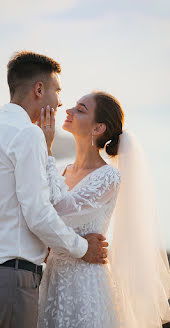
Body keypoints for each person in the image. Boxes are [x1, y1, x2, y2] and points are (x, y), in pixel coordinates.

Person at [0, 51, 108, 328]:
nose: (60, 100)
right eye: (57, 90)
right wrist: (82, 249)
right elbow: (38, 213)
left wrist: (19, 239)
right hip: (11, 284)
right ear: (39, 89)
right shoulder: (28, 134)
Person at [38, 92, 170, 327]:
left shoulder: (108, 176)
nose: (68, 110)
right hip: (51, 279)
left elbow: (61, 211)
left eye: (80, 109)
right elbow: (38, 215)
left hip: (84, 284)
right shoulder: (59, 170)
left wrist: (46, 150)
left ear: (98, 128)